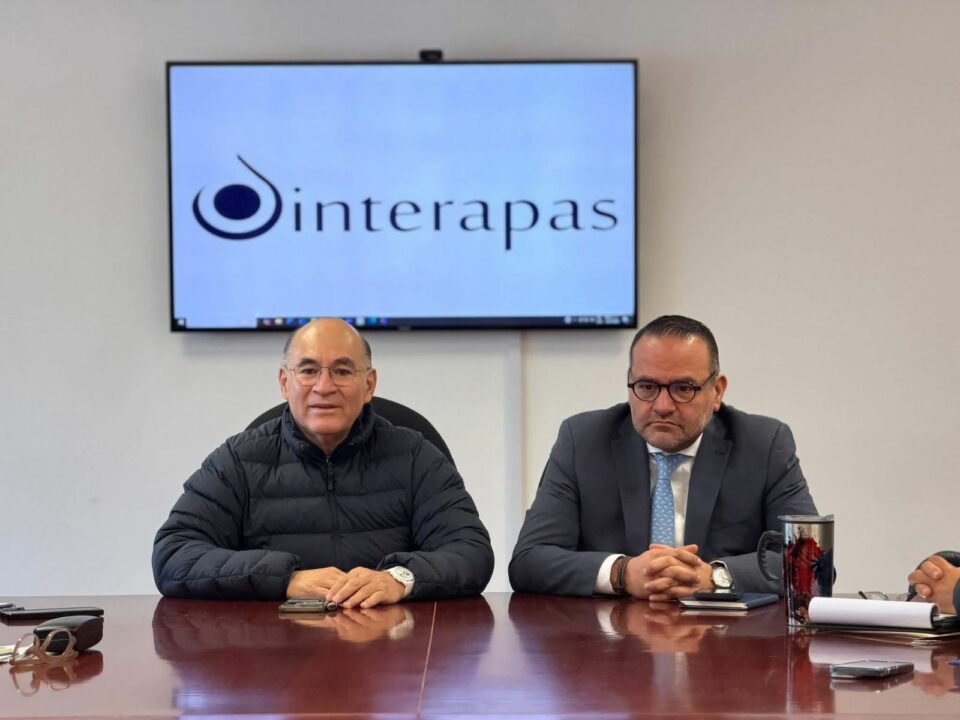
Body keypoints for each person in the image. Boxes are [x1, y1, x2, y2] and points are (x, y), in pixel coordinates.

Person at [153, 318, 494, 606]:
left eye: (342, 371)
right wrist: (285, 578)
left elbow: (471, 551)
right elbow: (174, 555)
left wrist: (399, 578)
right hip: (275, 650)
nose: (324, 386)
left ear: (369, 384)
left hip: (392, 648)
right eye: (308, 370)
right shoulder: (240, 461)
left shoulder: (415, 456)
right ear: (284, 383)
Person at [509, 314, 818, 599]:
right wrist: (622, 573)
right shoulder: (583, 441)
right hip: (611, 633)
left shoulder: (764, 445)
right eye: (647, 387)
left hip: (725, 632)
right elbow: (529, 560)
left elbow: (811, 563)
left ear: (717, 391)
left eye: (683, 388)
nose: (662, 406)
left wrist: (714, 577)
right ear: (630, 384)